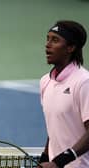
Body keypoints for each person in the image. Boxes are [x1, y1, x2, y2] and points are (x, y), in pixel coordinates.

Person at [39, 20, 89, 168]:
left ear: (71, 47)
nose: (47, 45)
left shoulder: (84, 82)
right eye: (47, 39)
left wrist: (59, 162)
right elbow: (55, 127)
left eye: (55, 40)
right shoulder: (45, 82)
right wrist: (45, 157)